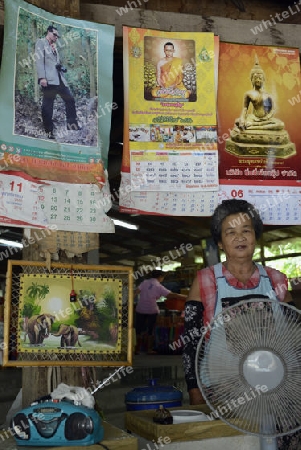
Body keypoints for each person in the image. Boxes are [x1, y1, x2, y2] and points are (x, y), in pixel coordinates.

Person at [182, 199, 299, 450]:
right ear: (221, 243)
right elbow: (191, 340)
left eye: (246, 230)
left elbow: (294, 332)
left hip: (281, 387)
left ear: (256, 236)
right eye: (230, 232)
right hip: (225, 389)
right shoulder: (206, 280)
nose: (240, 237)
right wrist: (194, 388)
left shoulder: (277, 279)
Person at [35, 25, 80, 139]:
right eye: (54, 34)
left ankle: (72, 126)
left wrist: (60, 67)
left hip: (60, 80)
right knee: (47, 106)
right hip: (49, 81)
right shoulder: (41, 42)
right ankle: (49, 131)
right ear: (48, 32)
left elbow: (54, 63)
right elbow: (39, 61)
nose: (56, 37)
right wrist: (42, 78)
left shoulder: (54, 46)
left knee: (70, 100)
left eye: (57, 36)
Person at [134, 269, 187, 355]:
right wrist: (186, 297)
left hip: (140, 309)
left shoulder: (144, 282)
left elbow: (136, 292)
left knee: (138, 330)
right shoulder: (158, 286)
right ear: (160, 277)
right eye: (163, 277)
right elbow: (172, 295)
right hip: (152, 310)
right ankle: (149, 349)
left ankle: (136, 349)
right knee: (150, 330)